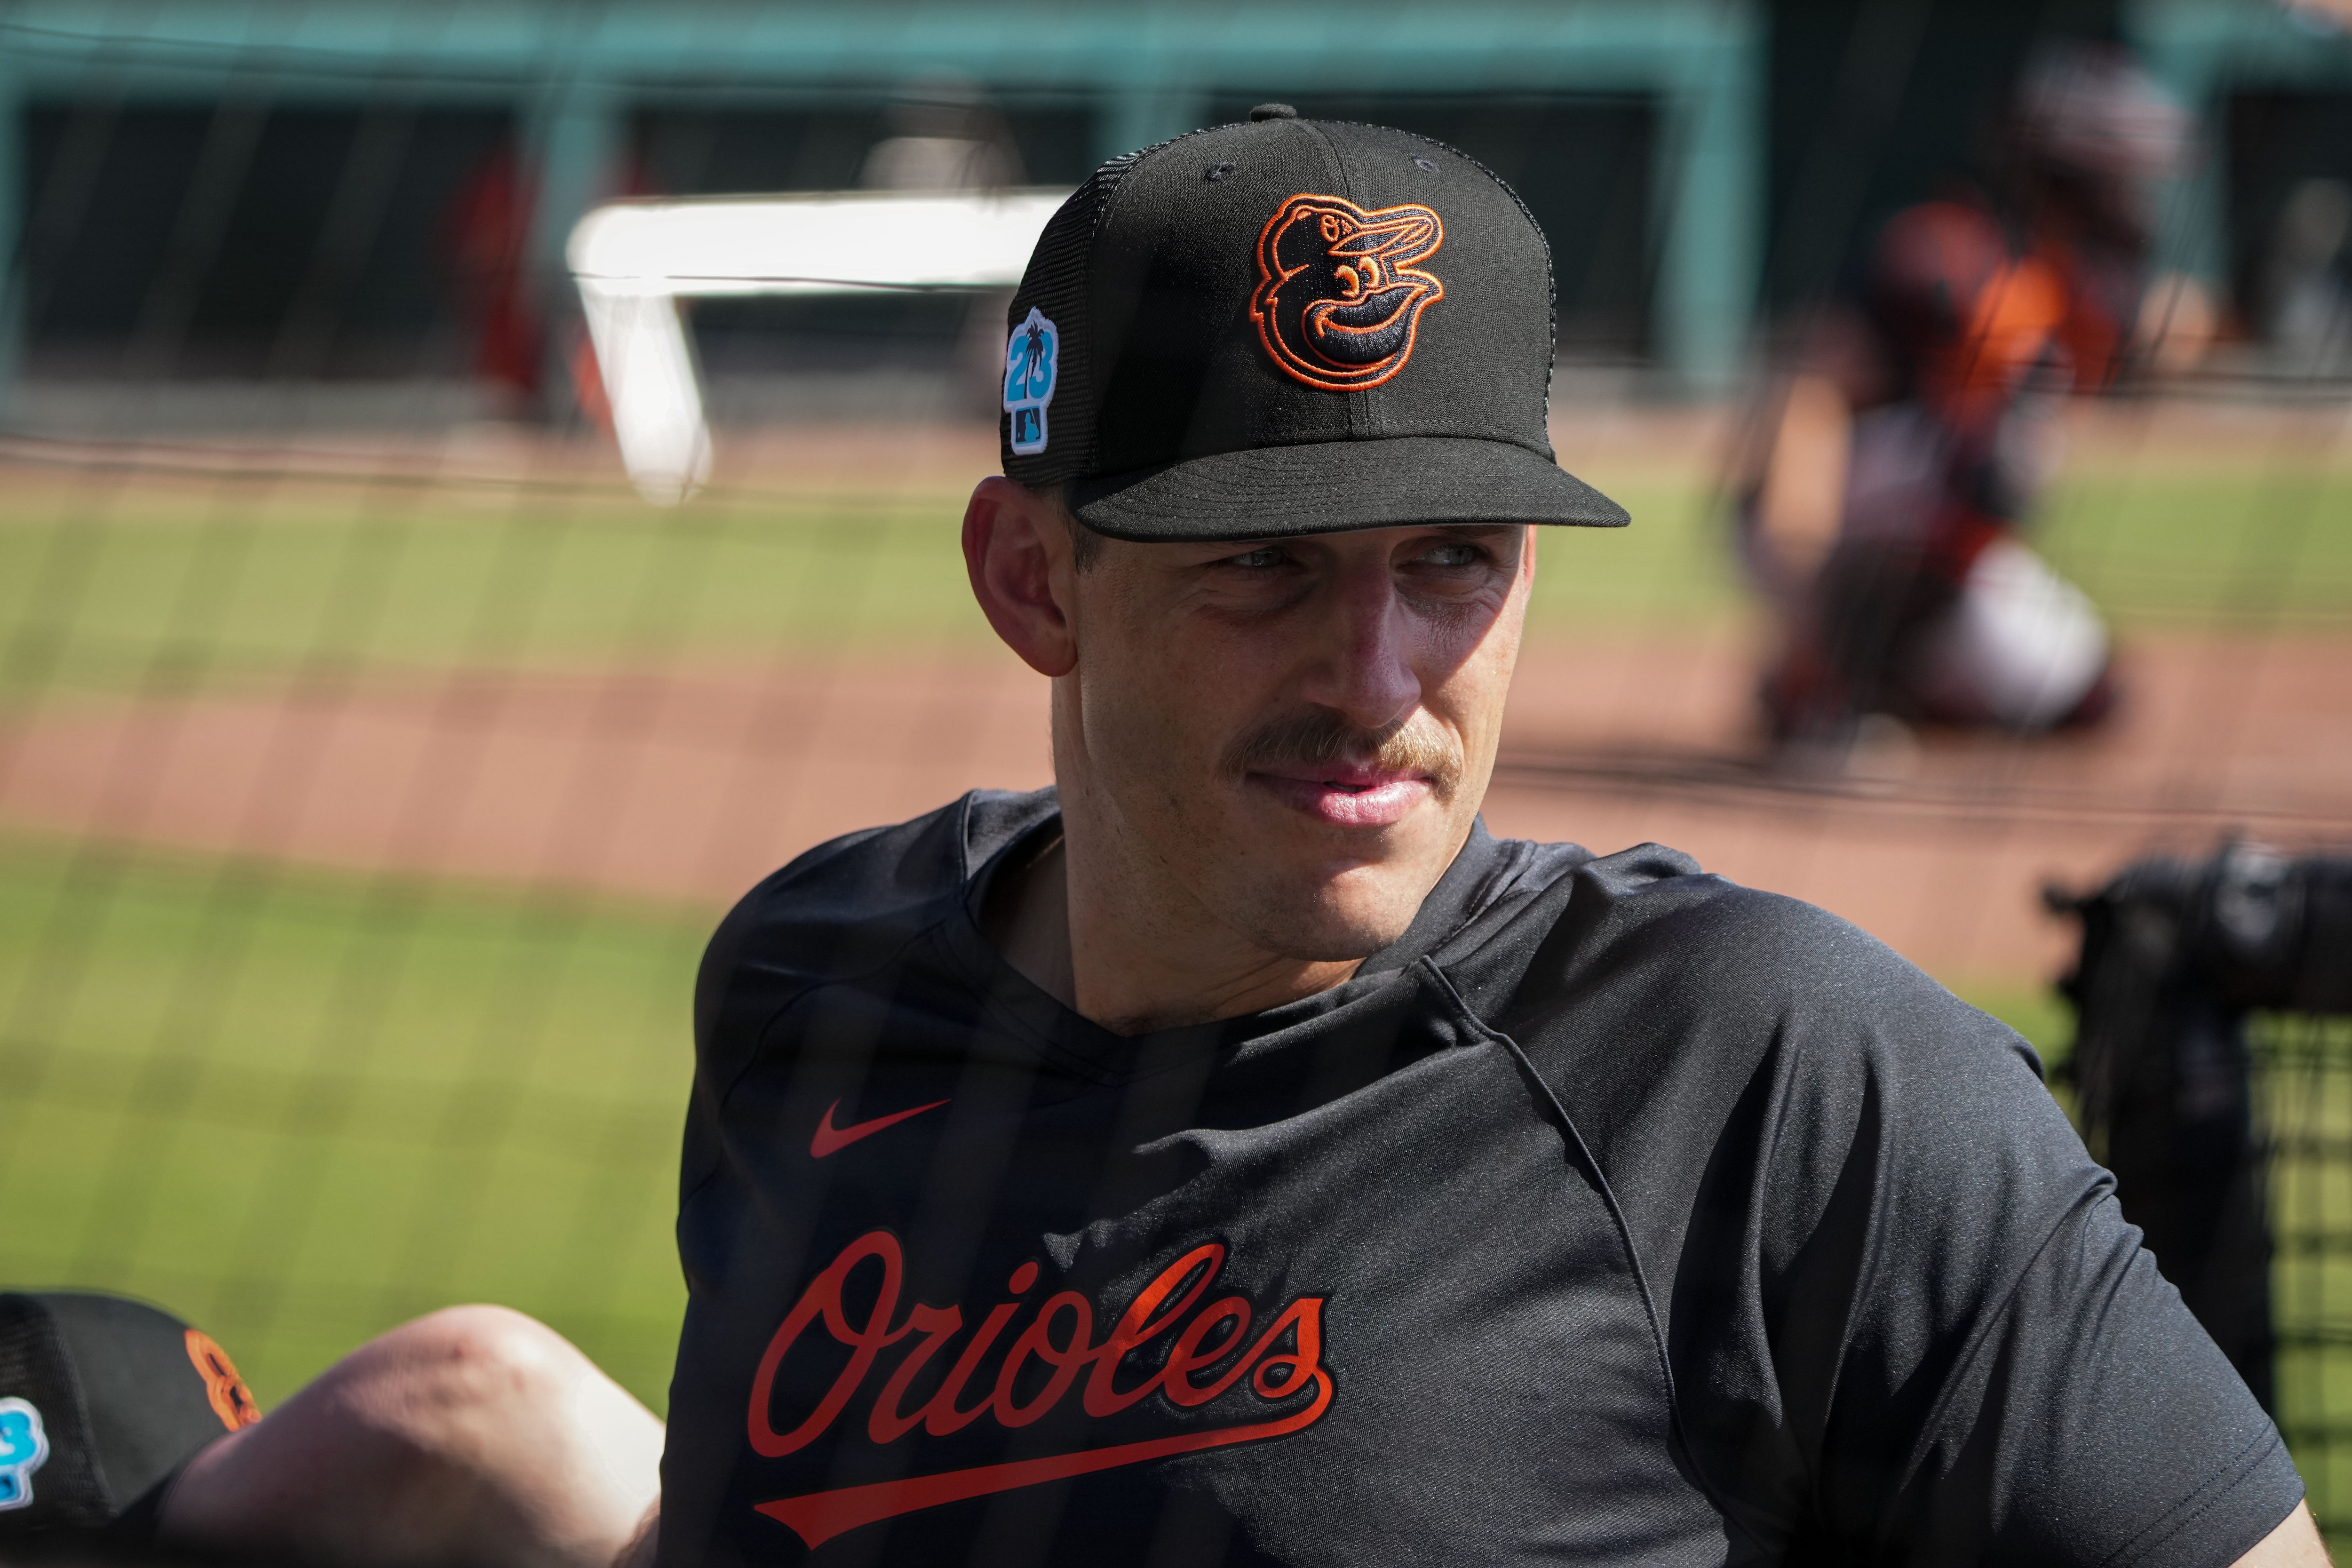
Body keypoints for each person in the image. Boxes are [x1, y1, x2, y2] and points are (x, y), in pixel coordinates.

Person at [16, 108, 2325, 1568]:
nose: (1383, 675)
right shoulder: (815, 988)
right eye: (1265, 569)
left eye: (1456, 565)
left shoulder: (1780, 1075)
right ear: (1034, 580)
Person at [1740, 42, 2211, 747]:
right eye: (2123, 179)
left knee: (2085, 694)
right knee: (1993, 452)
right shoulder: (1943, 260)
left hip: (1942, 545)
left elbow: (2178, 324)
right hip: (1814, 515)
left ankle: (1899, 682)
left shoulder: (2085, 286)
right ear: (2071, 178)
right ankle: (1817, 686)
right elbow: (1813, 398)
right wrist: (1799, 561)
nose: (2137, 201)